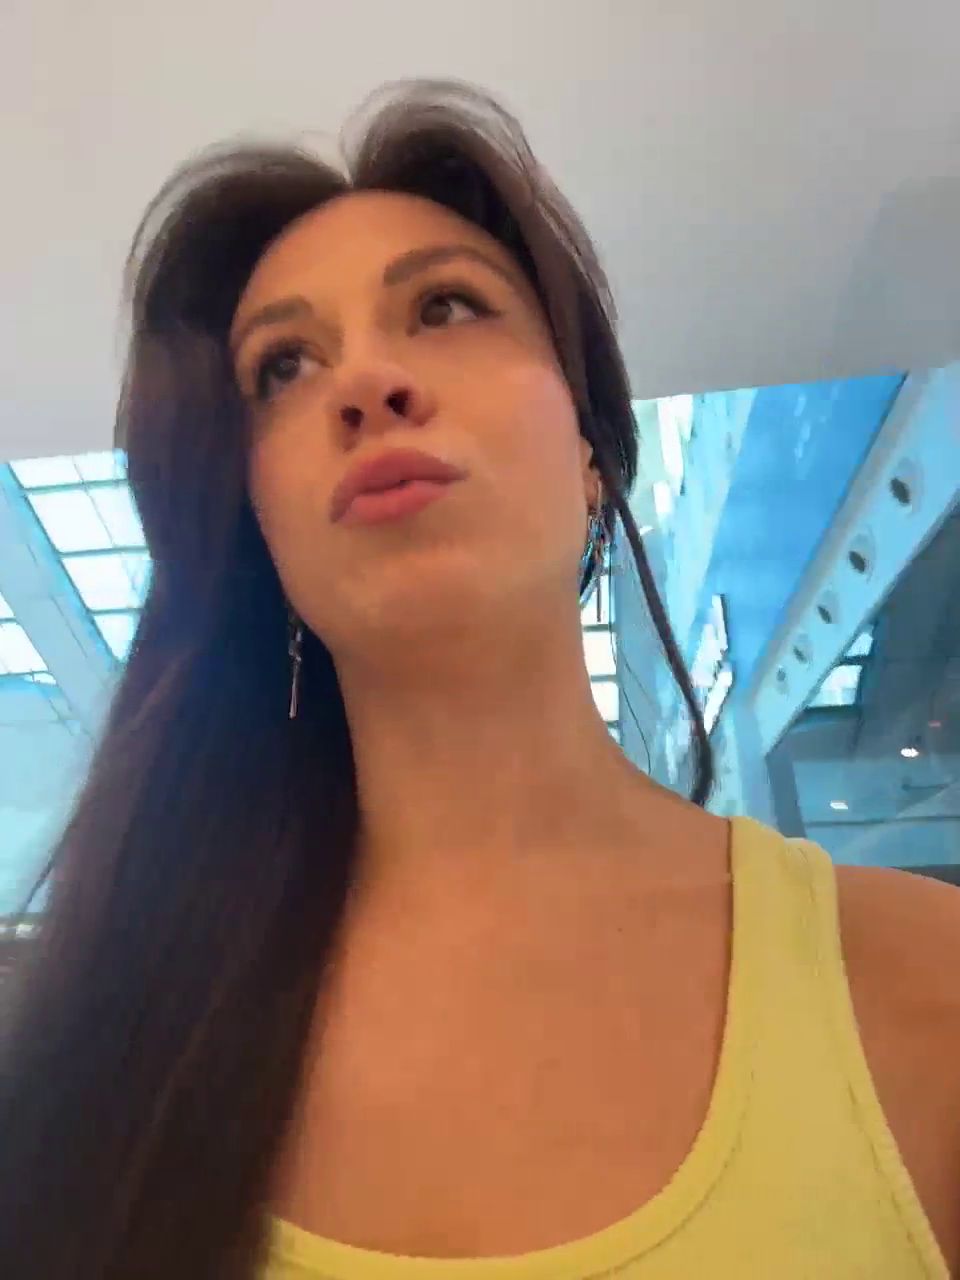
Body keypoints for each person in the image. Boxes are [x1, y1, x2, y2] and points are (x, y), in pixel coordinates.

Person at [1, 79, 958, 1280]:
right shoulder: (111, 1054)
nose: (366, 383)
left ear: (594, 452)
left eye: (445, 305)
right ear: (257, 527)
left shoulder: (926, 985)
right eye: (283, 367)